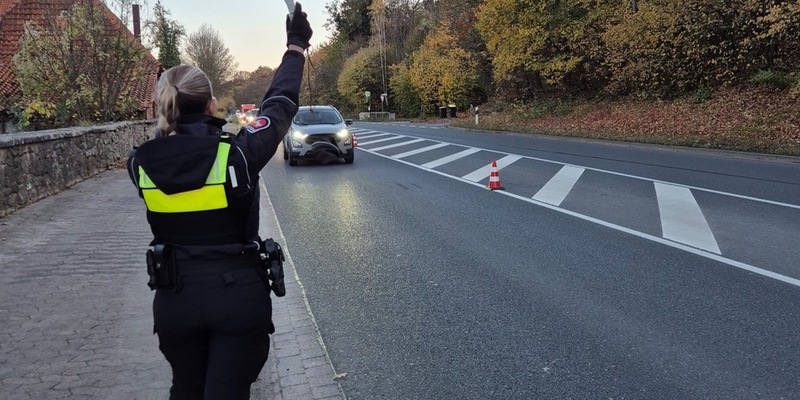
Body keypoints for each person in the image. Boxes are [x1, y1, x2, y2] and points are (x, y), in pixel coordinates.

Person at [126, 4, 312, 399]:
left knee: (187, 389)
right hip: (236, 297)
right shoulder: (238, 156)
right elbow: (279, 105)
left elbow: (167, 147)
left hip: (175, 301)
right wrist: (296, 46)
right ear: (212, 106)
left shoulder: (139, 163)